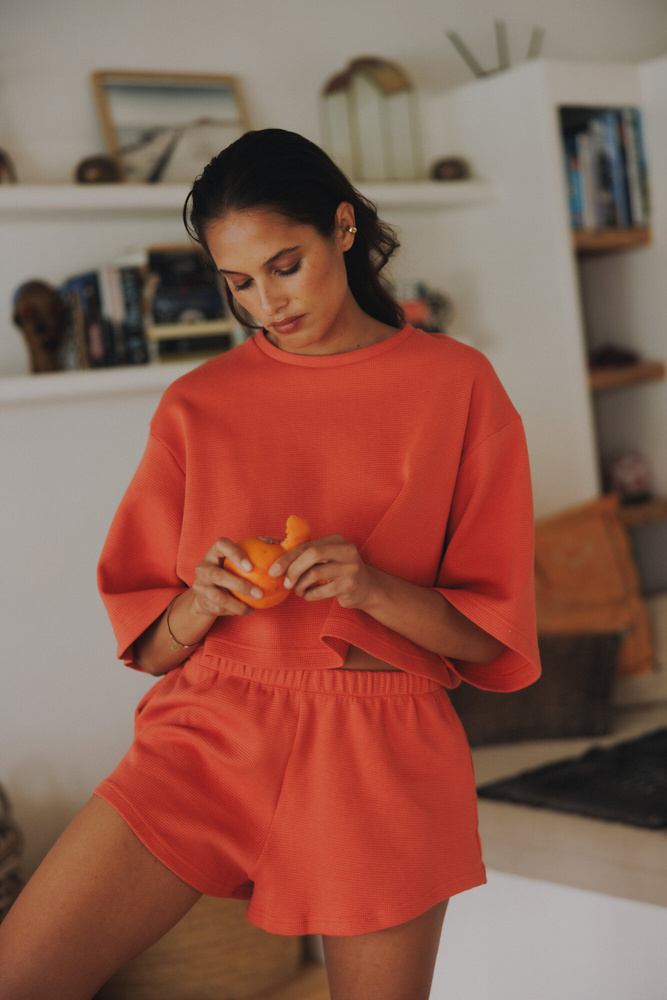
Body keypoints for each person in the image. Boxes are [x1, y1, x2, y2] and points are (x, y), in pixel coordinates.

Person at [0, 129, 540, 1000]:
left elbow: (489, 639)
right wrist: (201, 601)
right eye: (240, 282)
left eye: (284, 266)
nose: (266, 303)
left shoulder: (457, 385)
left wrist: (372, 588)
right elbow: (150, 644)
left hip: (380, 749)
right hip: (211, 727)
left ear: (343, 228)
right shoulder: (196, 405)